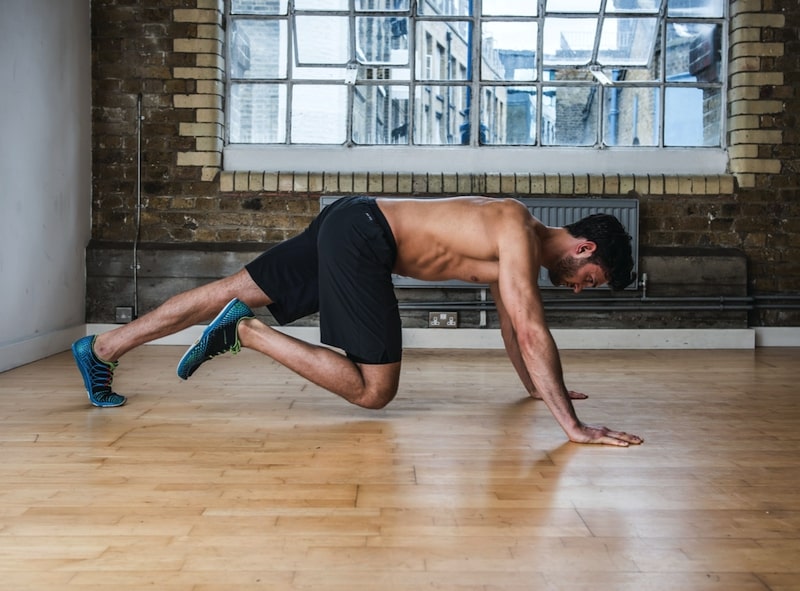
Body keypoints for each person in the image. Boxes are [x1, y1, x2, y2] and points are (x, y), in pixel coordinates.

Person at [72, 196, 643, 447]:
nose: (574, 287)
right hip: (364, 237)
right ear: (585, 247)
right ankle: (246, 331)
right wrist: (571, 425)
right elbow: (528, 326)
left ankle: (100, 351)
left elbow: (509, 327)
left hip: (351, 218)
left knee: (229, 289)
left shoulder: (508, 242)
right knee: (375, 390)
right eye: (585, 279)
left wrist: (541, 391)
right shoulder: (515, 229)